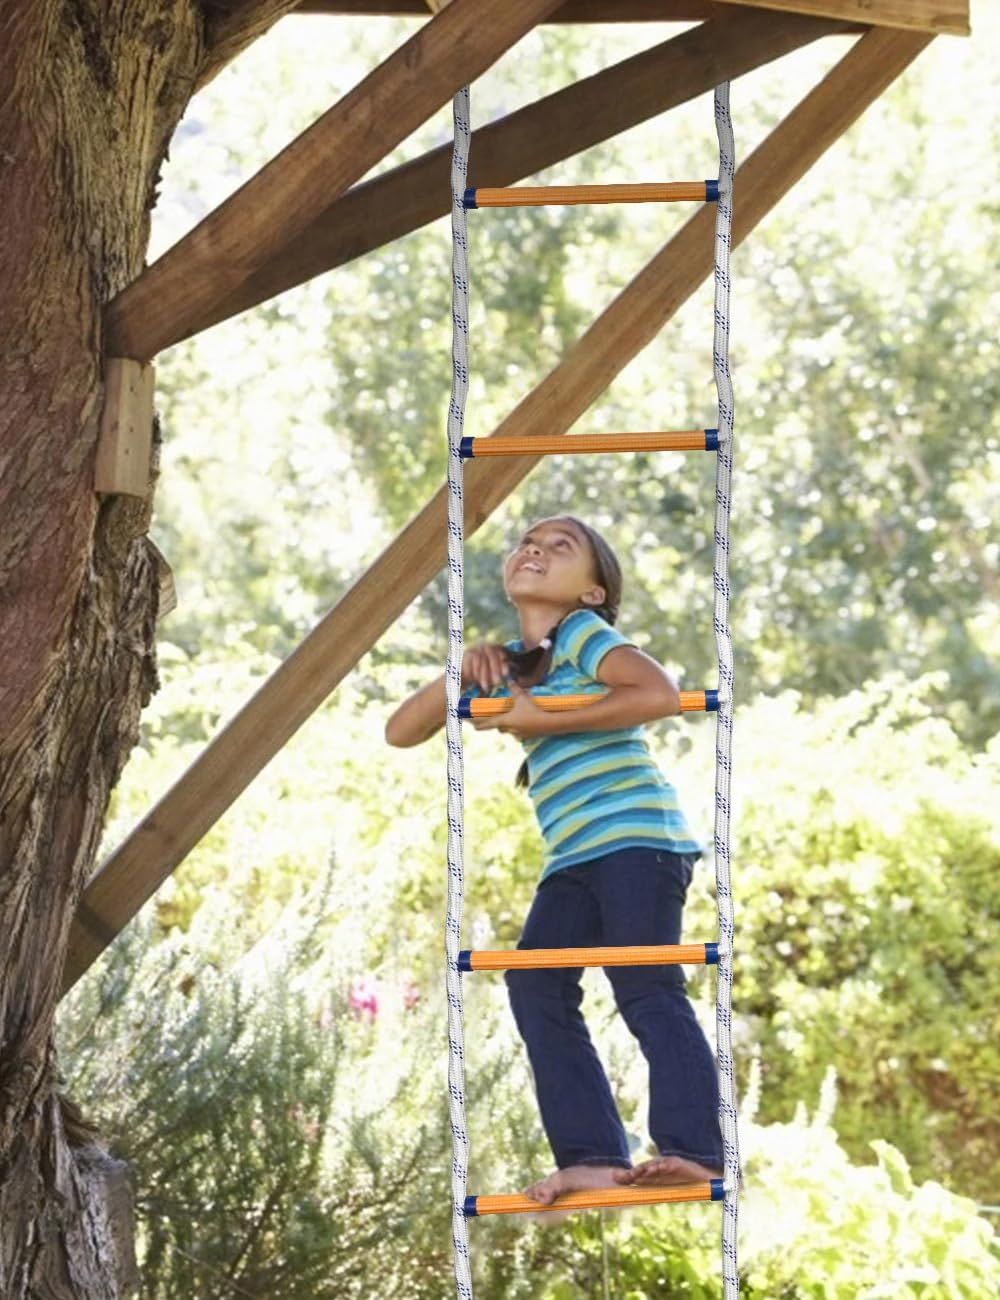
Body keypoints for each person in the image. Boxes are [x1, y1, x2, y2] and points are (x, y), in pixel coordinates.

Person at [385, 514, 723, 1207]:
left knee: (646, 986)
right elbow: (401, 730)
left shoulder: (583, 635)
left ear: (593, 592)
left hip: (637, 840)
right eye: (527, 543)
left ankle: (698, 1151)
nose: (534, 549)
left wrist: (538, 719)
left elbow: (656, 693)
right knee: (536, 986)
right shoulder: (512, 662)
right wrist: (466, 669)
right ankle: (595, 1156)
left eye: (559, 546)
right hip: (574, 855)